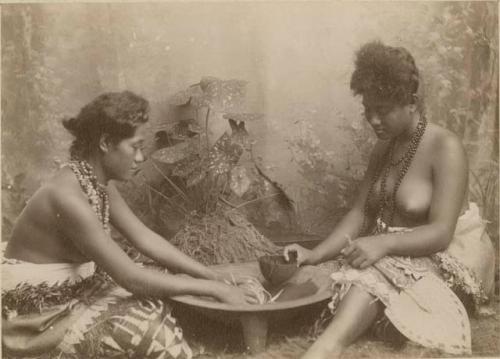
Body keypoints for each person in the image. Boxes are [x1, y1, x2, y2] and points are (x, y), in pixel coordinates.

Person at [2, 91, 258, 358]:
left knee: (165, 287)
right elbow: (131, 278)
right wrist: (216, 289)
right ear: (105, 142)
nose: (140, 158)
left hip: (76, 285)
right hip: (39, 312)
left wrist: (212, 276)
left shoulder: (94, 182)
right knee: (152, 331)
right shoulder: (67, 197)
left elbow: (145, 238)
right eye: (135, 147)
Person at [284, 41, 495, 358]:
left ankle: (325, 349)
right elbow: (360, 214)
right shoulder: (385, 147)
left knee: (369, 273)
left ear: (411, 102)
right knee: (332, 276)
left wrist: (381, 244)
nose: (373, 120)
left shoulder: (445, 147)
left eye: (382, 110)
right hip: (401, 253)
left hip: (447, 256)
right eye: (367, 110)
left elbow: (441, 233)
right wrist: (312, 255)